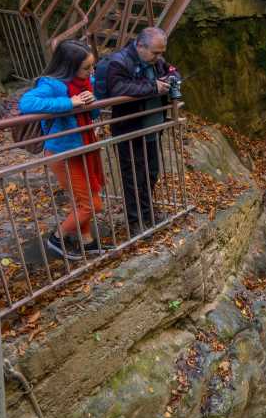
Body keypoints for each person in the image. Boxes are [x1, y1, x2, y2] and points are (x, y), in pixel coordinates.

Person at [19, 40, 104, 260]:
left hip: (83, 147)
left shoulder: (86, 81)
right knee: (91, 205)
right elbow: (27, 103)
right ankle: (57, 238)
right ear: (69, 66)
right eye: (86, 68)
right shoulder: (52, 84)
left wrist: (93, 102)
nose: (91, 72)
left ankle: (87, 242)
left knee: (83, 201)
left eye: (92, 66)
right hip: (62, 153)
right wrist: (69, 102)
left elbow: (93, 114)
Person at [105, 27, 179, 235]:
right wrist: (154, 87)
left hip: (152, 128)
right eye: (155, 52)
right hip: (130, 129)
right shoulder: (119, 62)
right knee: (133, 177)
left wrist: (171, 79)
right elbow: (118, 89)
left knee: (150, 173)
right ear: (140, 46)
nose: (159, 57)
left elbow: (172, 70)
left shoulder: (156, 61)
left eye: (161, 52)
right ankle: (135, 221)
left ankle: (147, 213)